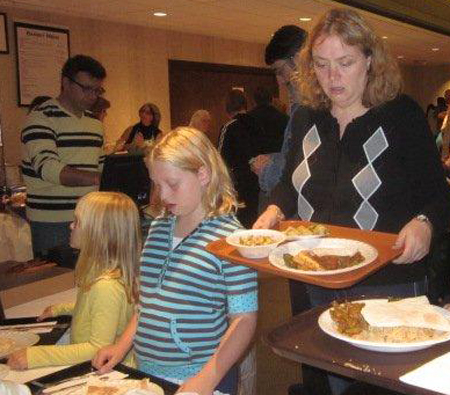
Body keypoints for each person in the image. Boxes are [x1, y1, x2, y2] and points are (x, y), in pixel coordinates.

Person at [254, 8, 450, 395]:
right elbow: (292, 186)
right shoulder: (308, 117)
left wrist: (425, 222)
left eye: (345, 63)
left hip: (385, 281)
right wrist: (274, 210)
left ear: (370, 60)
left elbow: (439, 194)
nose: (333, 77)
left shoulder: (400, 115)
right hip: (312, 278)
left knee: (376, 386)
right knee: (321, 381)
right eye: (322, 65)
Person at [93, 127, 258, 395]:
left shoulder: (232, 238)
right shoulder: (159, 227)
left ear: (202, 174)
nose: (163, 196)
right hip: (148, 372)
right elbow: (148, 303)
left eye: (172, 184)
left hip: (201, 377)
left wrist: (206, 379)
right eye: (157, 185)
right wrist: (121, 346)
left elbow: (244, 320)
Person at [7, 191, 140, 370]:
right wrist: (60, 309)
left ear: (97, 234)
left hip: (106, 372)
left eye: (77, 222)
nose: (71, 226)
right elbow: (91, 308)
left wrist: (35, 356)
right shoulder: (104, 275)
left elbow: (97, 349)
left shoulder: (106, 287)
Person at [21, 54, 106, 258]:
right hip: (51, 221)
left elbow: (101, 167)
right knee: (57, 285)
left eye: (97, 90)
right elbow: (47, 168)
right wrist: (97, 178)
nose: (93, 96)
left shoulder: (95, 124)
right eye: (87, 88)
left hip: (89, 218)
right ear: (65, 82)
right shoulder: (41, 118)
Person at [250, 25, 307, 195]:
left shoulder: (311, 109)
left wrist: (266, 170)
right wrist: (274, 159)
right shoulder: (300, 107)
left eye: (280, 71)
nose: (280, 81)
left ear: (298, 60)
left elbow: (302, 171)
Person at [218, 89, 261, 228]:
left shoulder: (229, 127)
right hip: (259, 182)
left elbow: (219, 160)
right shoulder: (258, 124)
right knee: (255, 220)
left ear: (228, 107)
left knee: (237, 224)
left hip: (238, 183)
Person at [247, 86, 288, 155]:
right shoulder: (284, 118)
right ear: (272, 99)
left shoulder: (246, 119)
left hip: (255, 160)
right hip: (278, 159)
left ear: (254, 101)